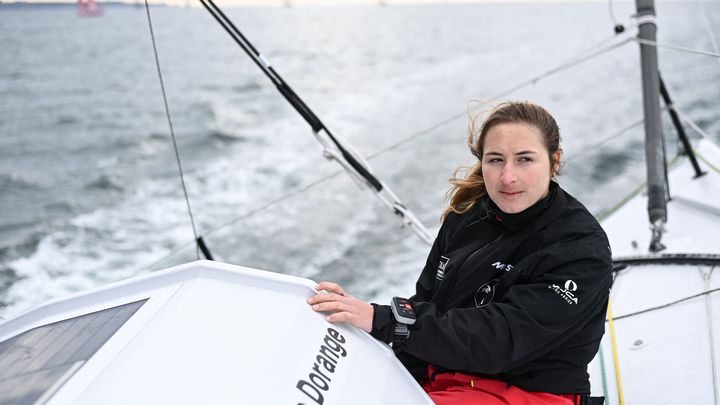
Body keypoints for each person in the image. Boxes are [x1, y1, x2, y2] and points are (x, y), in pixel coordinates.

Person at [307, 101, 612, 405]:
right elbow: (428, 301)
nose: (508, 177)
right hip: (442, 374)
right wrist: (373, 342)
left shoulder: (580, 246)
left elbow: (500, 340)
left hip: (529, 392)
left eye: (524, 160)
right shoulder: (467, 216)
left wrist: (384, 320)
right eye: (495, 160)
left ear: (554, 161)